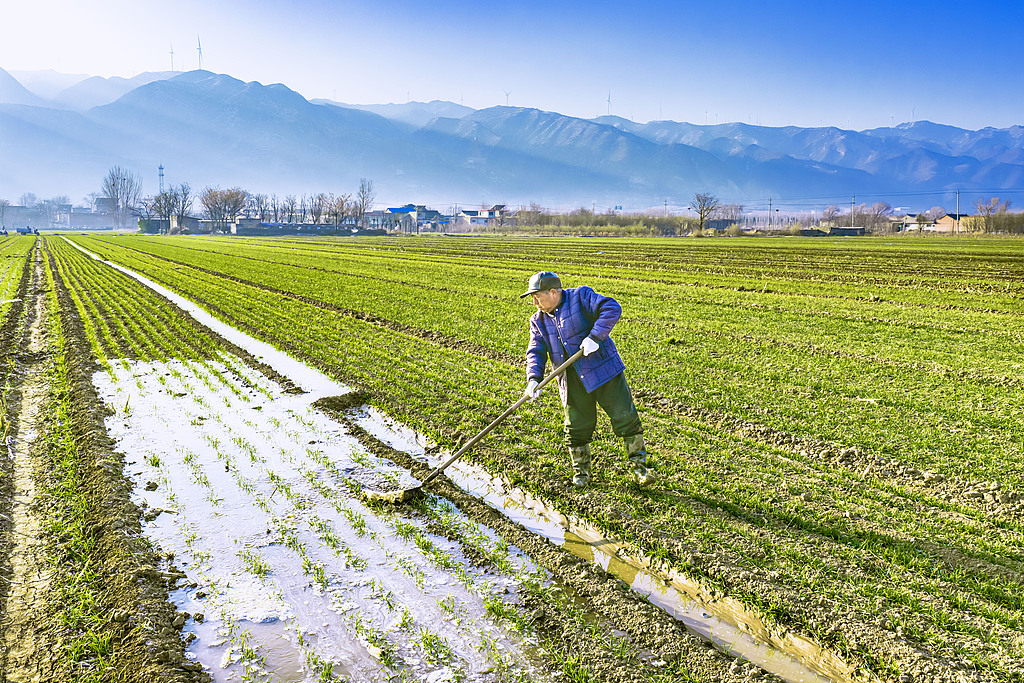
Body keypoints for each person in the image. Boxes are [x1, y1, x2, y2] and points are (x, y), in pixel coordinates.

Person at [521, 271, 654, 487]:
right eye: (532, 298)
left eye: (537, 297)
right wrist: (533, 379)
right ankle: (581, 474)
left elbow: (611, 308)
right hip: (572, 380)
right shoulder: (538, 321)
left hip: (603, 370)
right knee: (576, 428)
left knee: (625, 417)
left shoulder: (580, 297)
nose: (534, 302)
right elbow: (535, 351)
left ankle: (641, 470)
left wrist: (594, 337)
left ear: (553, 292)